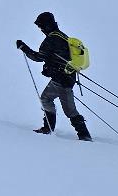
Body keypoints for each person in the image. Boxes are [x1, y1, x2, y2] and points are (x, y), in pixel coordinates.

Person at [17, 11, 91, 141]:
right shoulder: (63, 36)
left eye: (41, 26)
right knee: (47, 99)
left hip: (61, 79)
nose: (40, 29)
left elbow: (38, 57)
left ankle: (82, 135)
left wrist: (24, 47)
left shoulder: (51, 39)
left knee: (66, 109)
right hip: (67, 76)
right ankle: (52, 128)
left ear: (47, 25)